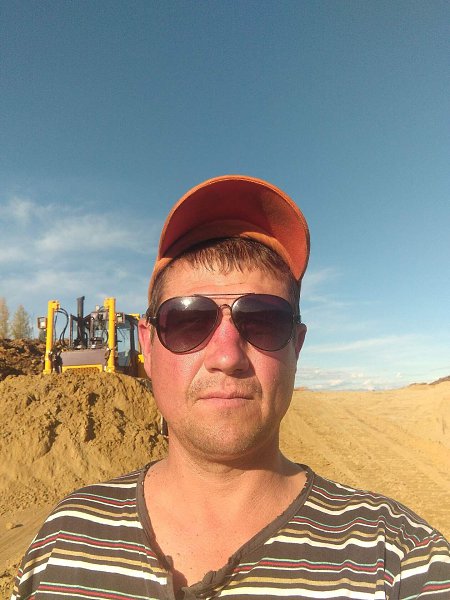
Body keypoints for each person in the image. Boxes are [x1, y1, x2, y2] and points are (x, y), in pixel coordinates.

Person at [12, 175, 450, 599]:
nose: (227, 356)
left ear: (296, 347)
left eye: (263, 321)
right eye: (187, 320)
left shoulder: (398, 559)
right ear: (147, 345)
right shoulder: (61, 541)